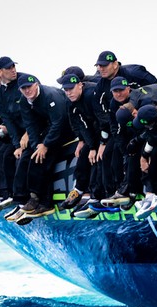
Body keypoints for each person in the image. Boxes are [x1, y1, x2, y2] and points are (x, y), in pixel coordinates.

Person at [93, 51, 157, 202]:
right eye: (99, 66)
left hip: (145, 124)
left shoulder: (136, 76)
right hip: (123, 128)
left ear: (115, 64)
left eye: (104, 65)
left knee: (138, 152)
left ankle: (141, 191)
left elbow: (156, 91)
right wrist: (111, 143)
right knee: (113, 153)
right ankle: (114, 193)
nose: (100, 69)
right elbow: (107, 119)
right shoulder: (103, 91)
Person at [17, 73, 76, 220]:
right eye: (23, 88)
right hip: (48, 130)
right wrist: (38, 144)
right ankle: (32, 197)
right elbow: (30, 125)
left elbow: (59, 123)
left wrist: (46, 145)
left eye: (29, 87)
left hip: (67, 128)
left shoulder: (50, 96)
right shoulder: (24, 101)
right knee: (33, 156)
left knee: (44, 158)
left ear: (36, 85)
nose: (27, 91)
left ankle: (43, 201)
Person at [0, 55, 30, 219]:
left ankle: (25, 201)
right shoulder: (0, 92)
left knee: (23, 158)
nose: (13, 70)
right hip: (19, 134)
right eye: (8, 68)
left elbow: (34, 111)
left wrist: (27, 134)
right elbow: (8, 121)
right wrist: (17, 144)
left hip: (35, 129)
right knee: (5, 154)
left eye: (13, 66)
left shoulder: (25, 81)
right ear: (0, 72)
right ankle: (7, 195)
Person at [59, 73, 104, 217]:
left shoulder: (92, 95)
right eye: (65, 90)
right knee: (84, 154)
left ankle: (95, 197)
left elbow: (104, 121)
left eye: (71, 89)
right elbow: (78, 124)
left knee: (98, 158)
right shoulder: (70, 100)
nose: (68, 92)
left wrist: (101, 144)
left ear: (80, 85)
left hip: (108, 131)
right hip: (94, 132)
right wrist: (83, 142)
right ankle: (78, 190)